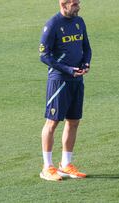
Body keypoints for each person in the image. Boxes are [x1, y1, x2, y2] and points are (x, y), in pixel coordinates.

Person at [38, 0, 91, 181]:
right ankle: (47, 167)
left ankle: (66, 164)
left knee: (74, 121)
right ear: (64, 4)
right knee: (52, 123)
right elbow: (44, 56)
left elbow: (86, 47)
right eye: (75, 4)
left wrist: (85, 63)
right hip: (59, 81)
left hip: (77, 80)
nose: (79, 6)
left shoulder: (80, 22)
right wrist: (68, 69)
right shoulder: (52, 25)